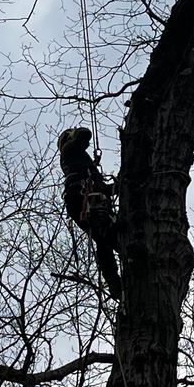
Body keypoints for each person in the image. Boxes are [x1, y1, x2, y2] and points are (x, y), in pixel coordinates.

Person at [58, 125, 121, 294]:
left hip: (81, 199)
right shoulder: (69, 148)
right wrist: (76, 133)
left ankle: (115, 283)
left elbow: (103, 189)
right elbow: (85, 133)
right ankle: (115, 280)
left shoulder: (80, 165)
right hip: (82, 197)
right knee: (106, 235)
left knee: (103, 239)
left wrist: (119, 187)